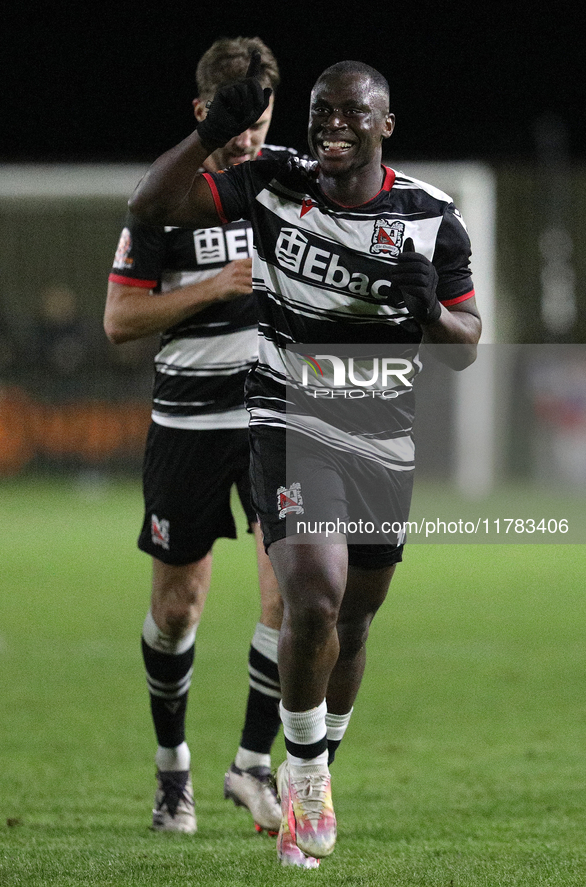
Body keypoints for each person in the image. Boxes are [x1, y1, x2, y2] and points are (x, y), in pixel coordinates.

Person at [128, 53, 482, 867]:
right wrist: (211, 133)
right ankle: (308, 780)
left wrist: (430, 309)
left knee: (353, 617)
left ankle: (306, 760)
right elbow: (150, 206)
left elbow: (466, 346)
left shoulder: (430, 218)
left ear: (383, 126)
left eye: (350, 113)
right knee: (312, 596)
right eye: (319, 110)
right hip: (288, 415)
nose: (329, 124)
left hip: (382, 435)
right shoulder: (271, 182)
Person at [104, 37, 299, 843]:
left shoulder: (290, 176)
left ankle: (251, 763)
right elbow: (119, 321)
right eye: (234, 119)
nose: (249, 136)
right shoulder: (163, 197)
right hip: (185, 424)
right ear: (202, 112)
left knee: (288, 594)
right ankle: (172, 766)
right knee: (177, 607)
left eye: (260, 118)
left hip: (273, 419)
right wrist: (217, 285)